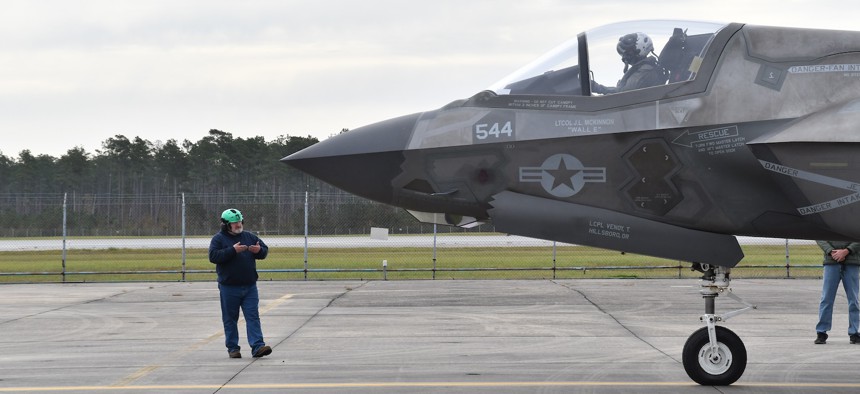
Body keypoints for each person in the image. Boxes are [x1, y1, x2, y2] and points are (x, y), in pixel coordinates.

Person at [209, 208, 272, 358]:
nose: (238, 225)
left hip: (250, 286)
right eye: (234, 223)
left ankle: (258, 346)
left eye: (239, 222)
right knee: (230, 319)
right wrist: (232, 250)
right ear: (225, 225)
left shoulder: (249, 236)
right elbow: (213, 256)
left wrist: (259, 251)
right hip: (228, 287)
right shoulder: (218, 239)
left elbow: (264, 250)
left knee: (253, 316)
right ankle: (233, 348)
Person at [814, 240, 860, 344]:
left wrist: (847, 251)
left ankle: (854, 332)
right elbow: (820, 237)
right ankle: (821, 332)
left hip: (852, 263)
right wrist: (831, 251)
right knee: (826, 299)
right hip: (831, 262)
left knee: (854, 300)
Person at [591, 32, 668, 94]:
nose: (625, 56)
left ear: (640, 50)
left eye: (628, 52)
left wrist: (597, 87)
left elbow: (623, 95)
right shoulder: (642, 68)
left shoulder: (646, 70)